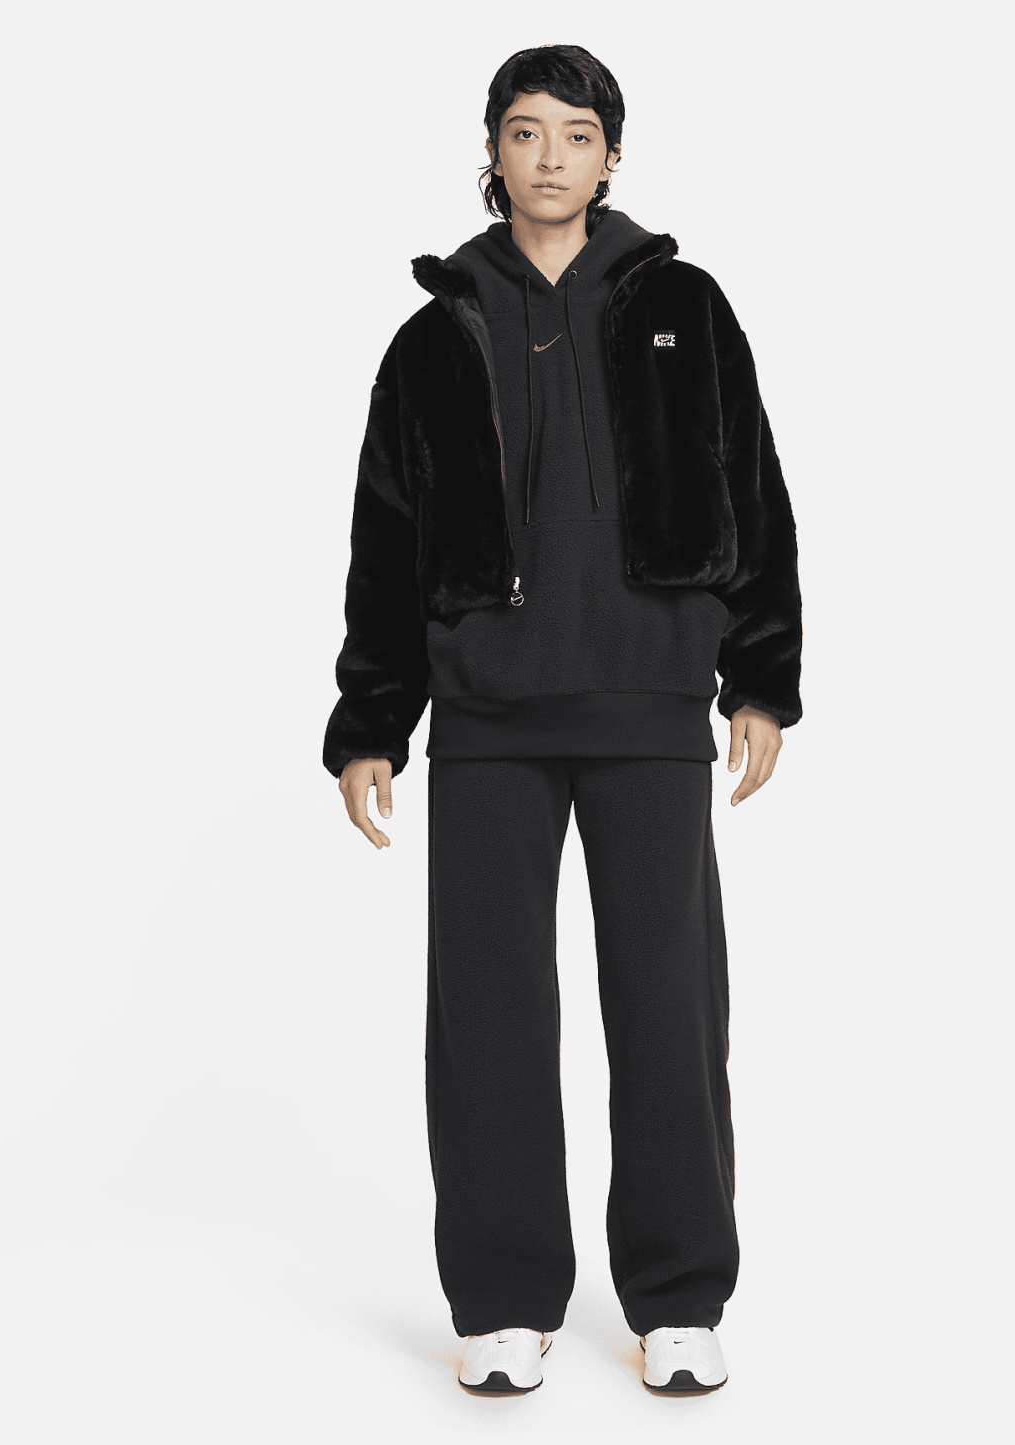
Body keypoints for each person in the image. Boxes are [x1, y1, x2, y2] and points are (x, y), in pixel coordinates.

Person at [322, 42, 803, 1396]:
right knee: (486, 1019)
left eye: (576, 135)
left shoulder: (685, 309)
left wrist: (761, 679)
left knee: (668, 1010)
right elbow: (386, 542)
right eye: (525, 132)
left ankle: (678, 1299)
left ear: (610, 156)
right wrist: (373, 719)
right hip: (489, 717)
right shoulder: (433, 336)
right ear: (494, 151)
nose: (549, 157)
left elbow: (754, 495)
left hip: (650, 703)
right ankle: (502, 1301)